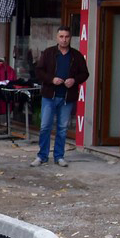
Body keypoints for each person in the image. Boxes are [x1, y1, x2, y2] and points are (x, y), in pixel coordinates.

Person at [31, 26, 89, 167]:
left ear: (70, 38)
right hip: (50, 96)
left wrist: (74, 80)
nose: (64, 40)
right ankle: (42, 156)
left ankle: (59, 156)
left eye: (67, 37)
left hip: (67, 97)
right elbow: (38, 71)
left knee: (62, 128)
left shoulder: (76, 55)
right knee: (45, 126)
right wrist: (52, 79)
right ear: (57, 38)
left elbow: (85, 73)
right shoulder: (49, 53)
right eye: (61, 36)